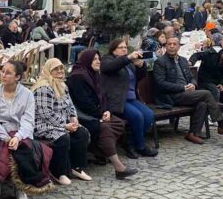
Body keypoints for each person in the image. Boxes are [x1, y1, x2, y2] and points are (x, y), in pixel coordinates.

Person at [153, 35, 223, 144]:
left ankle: (193, 133)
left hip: (186, 93)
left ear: (179, 47)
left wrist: (193, 84)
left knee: (203, 104)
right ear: (165, 46)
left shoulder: (182, 60)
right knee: (206, 94)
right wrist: (182, 87)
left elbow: (191, 77)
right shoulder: (160, 62)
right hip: (170, 96)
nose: (172, 46)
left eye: (174, 44)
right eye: (169, 44)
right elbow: (161, 83)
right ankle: (222, 125)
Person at [0, 61, 52, 199]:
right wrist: (5, 136)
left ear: (17, 77)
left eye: (8, 73)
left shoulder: (27, 95)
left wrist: (17, 136)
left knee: (23, 149)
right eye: (2, 71)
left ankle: (20, 186)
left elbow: (28, 120)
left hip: (20, 131)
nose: (3, 75)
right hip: (0, 132)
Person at [68, 50, 138, 179]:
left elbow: (103, 96)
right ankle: (118, 167)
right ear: (87, 60)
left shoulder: (94, 74)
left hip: (96, 112)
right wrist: (100, 114)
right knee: (105, 128)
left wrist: (106, 111)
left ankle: (100, 152)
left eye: (98, 58)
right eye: (94, 59)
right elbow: (84, 103)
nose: (98, 61)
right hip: (80, 116)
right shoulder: (77, 76)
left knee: (118, 122)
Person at [32, 58, 91, 184]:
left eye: (60, 68)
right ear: (49, 71)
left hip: (62, 122)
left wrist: (74, 119)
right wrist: (65, 125)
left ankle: (76, 167)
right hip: (42, 124)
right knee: (62, 137)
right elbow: (45, 114)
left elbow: (70, 105)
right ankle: (59, 172)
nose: (59, 71)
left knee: (82, 133)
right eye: (55, 69)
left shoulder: (62, 85)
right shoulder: (44, 87)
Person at [101, 39, 157, 158]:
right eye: (120, 47)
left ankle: (130, 143)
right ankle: (141, 146)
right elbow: (109, 68)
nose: (124, 49)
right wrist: (128, 58)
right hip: (118, 100)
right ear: (113, 50)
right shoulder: (108, 59)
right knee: (137, 116)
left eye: (125, 47)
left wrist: (141, 66)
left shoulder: (129, 62)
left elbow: (139, 77)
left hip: (132, 98)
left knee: (149, 115)